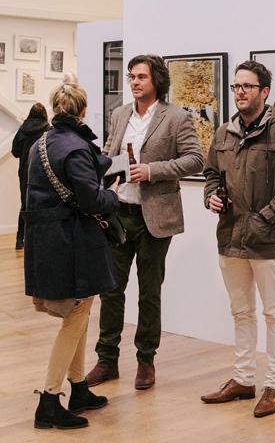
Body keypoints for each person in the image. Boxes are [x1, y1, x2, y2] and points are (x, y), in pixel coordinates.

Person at [86, 54, 203, 390]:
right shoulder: (119, 114)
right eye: (132, 77)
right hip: (118, 214)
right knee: (111, 290)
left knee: (149, 293)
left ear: (157, 81)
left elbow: (196, 159)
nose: (134, 82)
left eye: (141, 77)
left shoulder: (176, 117)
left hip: (155, 218)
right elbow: (108, 153)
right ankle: (106, 360)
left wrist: (152, 171)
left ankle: (146, 361)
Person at [202, 61, 275, 418]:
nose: (240, 92)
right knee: (241, 312)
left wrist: (263, 219)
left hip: (267, 240)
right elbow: (211, 173)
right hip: (230, 237)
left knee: (274, 313)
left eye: (247, 86)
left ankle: (274, 386)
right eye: (236, 86)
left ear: (264, 92)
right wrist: (211, 196)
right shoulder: (223, 133)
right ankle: (243, 378)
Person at [24, 75, 120, 430]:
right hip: (74, 243)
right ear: (83, 111)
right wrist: (113, 195)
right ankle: (49, 401)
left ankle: (78, 388)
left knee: (80, 314)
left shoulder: (40, 144)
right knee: (76, 317)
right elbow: (92, 200)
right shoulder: (76, 148)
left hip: (48, 240)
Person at [11, 102, 50, 250]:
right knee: (42, 204)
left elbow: (15, 152)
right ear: (44, 114)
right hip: (41, 171)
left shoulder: (22, 129)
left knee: (25, 205)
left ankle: (19, 240)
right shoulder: (48, 130)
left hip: (24, 172)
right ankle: (38, 240)